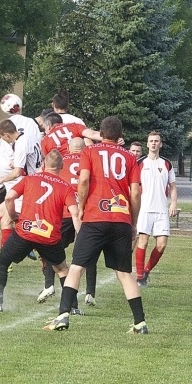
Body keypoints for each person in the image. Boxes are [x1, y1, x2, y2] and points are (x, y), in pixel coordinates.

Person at [45, 116, 148, 334]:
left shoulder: (89, 152)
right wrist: (133, 221)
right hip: (120, 219)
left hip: (95, 218)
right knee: (124, 273)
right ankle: (140, 322)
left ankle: (63, 315)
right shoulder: (130, 157)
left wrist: (81, 208)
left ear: (100, 134)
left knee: (76, 267)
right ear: (120, 136)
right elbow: (136, 192)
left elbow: (83, 180)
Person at [0, 149, 80, 312]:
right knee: (62, 269)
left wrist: (14, 215)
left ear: (43, 164)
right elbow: (75, 212)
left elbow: (9, 197)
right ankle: (72, 307)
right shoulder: (66, 187)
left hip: (26, 231)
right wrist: (81, 235)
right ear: (62, 166)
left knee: (2, 262)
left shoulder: (30, 179)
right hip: (49, 235)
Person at [37, 137, 99, 306]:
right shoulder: (90, 159)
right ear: (84, 148)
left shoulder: (62, 162)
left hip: (64, 212)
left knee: (53, 250)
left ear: (70, 148)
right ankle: (90, 293)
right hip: (85, 213)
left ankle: (49, 285)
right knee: (89, 253)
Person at [134, 131, 178, 287]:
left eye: (156, 141)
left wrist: (173, 203)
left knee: (162, 244)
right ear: (147, 144)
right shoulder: (140, 163)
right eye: (151, 141)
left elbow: (172, 186)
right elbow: (133, 187)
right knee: (143, 241)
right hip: (145, 209)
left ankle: (146, 270)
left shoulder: (166, 164)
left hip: (161, 210)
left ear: (161, 144)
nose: (153, 143)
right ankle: (140, 277)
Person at [0, 119, 43, 249]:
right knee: (1, 211)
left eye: (2, 138)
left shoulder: (20, 144)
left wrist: (2, 179)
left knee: (6, 220)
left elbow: (17, 172)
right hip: (31, 182)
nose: (3, 140)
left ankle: (5, 262)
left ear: (6, 135)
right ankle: (26, 239)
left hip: (27, 186)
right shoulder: (29, 137)